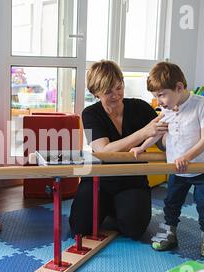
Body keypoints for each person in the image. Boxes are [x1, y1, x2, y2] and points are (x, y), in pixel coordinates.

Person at [130, 62, 204, 258]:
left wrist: (186, 157)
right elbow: (157, 132)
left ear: (179, 87)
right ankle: (169, 233)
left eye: (161, 95)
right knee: (171, 202)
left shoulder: (201, 105)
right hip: (177, 170)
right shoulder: (168, 110)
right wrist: (142, 147)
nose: (159, 101)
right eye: (155, 97)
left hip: (202, 168)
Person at [69, 60, 168, 239]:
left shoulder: (141, 107)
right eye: (108, 92)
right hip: (99, 180)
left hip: (132, 180)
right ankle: (108, 206)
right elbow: (105, 151)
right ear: (95, 92)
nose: (116, 95)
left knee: (134, 230)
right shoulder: (90, 113)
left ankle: (117, 208)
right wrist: (143, 133)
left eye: (119, 87)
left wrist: (180, 133)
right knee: (79, 228)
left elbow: (162, 143)